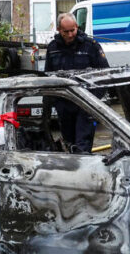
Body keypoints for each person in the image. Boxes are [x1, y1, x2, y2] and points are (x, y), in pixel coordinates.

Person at [44, 13, 109, 153]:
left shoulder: (91, 46)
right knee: (69, 144)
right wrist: (54, 103)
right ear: (59, 29)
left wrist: (92, 101)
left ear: (77, 27)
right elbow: (47, 78)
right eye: (65, 31)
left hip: (85, 105)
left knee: (82, 147)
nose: (70, 35)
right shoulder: (53, 48)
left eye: (72, 30)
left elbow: (105, 75)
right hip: (64, 105)